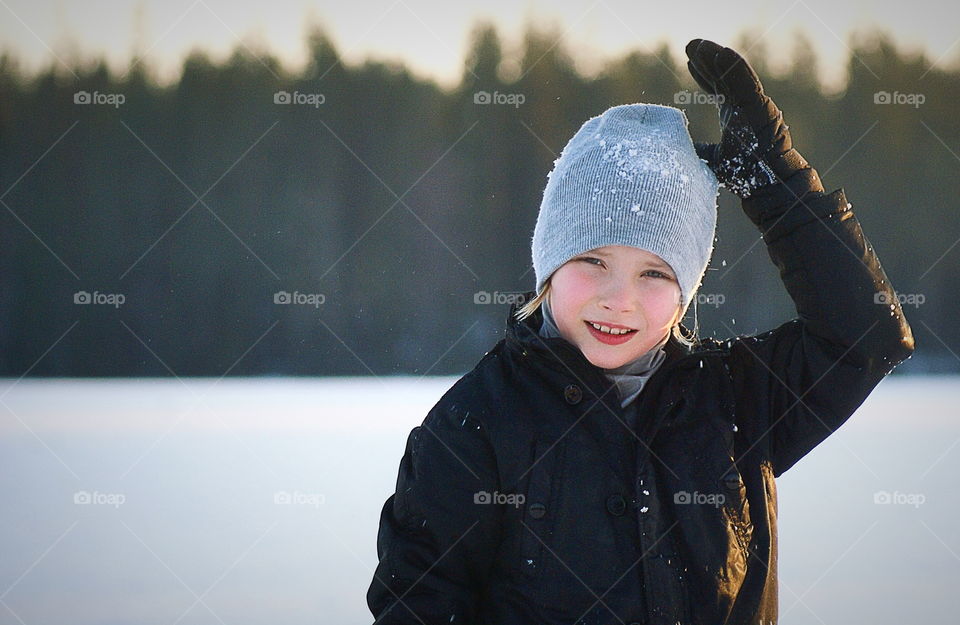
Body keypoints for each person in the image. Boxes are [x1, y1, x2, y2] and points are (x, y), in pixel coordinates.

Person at [366, 38, 914, 625]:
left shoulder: (736, 400)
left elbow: (864, 335)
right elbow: (418, 606)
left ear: (686, 292)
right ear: (549, 264)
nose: (619, 298)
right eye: (592, 261)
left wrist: (772, 182)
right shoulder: (474, 425)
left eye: (654, 272)